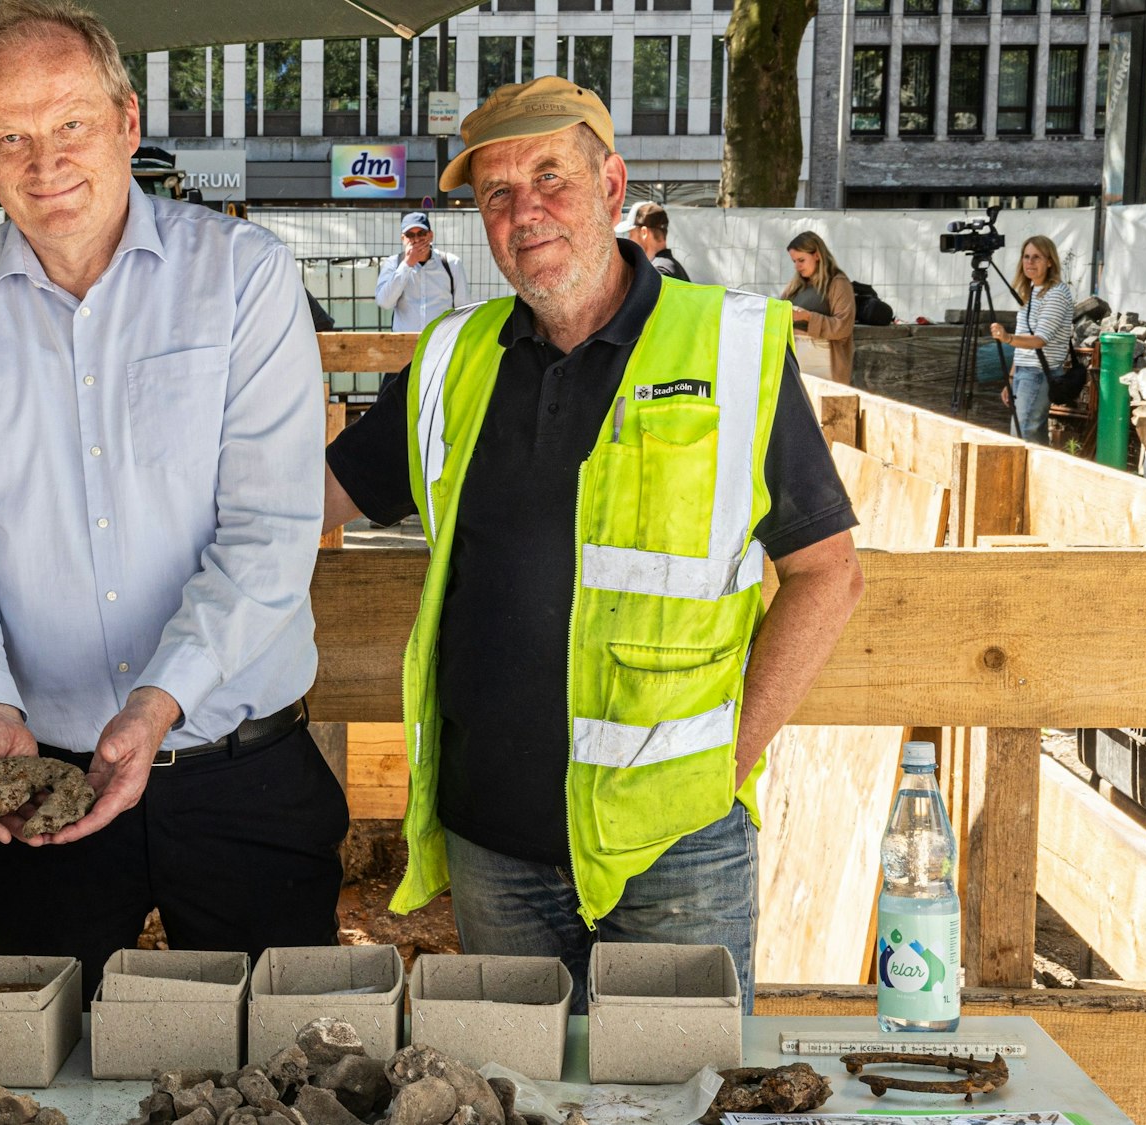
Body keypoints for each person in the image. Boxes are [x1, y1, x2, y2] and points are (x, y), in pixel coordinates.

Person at [321, 76, 866, 1012]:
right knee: (521, 1095)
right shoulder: (456, 358)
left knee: (676, 1096)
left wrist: (724, 764)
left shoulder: (728, 346)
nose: (523, 211)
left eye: (550, 177)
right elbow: (309, 494)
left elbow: (827, 574)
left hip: (676, 847)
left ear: (613, 186)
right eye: (496, 193)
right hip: (495, 847)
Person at [0, 0, 344, 1003]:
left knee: (289, 1072)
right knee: (43, 1076)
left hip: (238, 772)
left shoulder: (241, 279)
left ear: (126, 121)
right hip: (34, 781)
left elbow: (268, 531)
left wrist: (155, 701)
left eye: (70, 124)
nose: (43, 163)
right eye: (11, 137)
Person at [990, 236, 1075, 445]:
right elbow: (1023, 344)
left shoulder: (1056, 293)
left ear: (1049, 262)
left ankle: (1024, 478)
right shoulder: (1031, 292)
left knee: (1022, 436)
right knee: (1031, 435)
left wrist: (1007, 338)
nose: (1030, 262)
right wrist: (1011, 379)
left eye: (1037, 257)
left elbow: (1039, 340)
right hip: (1025, 372)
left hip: (1038, 374)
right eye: (1026, 257)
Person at [376, 210, 470, 334]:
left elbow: (463, 308)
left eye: (421, 233)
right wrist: (407, 264)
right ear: (403, 239)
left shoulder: (451, 263)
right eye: (410, 235)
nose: (416, 240)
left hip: (440, 341)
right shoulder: (393, 263)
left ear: (430, 235)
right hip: (405, 342)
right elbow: (384, 302)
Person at [783, 231, 857, 385]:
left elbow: (843, 327)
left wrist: (807, 317)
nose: (797, 266)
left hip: (823, 359)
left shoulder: (838, 283)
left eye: (801, 260)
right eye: (794, 261)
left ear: (817, 255)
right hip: (794, 355)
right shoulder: (796, 286)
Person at [615, 200, 690, 282]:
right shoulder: (672, 267)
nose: (629, 239)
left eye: (631, 234)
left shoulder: (659, 274)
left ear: (644, 232)